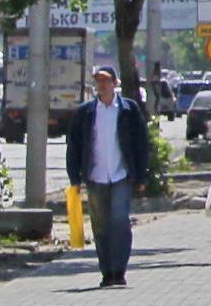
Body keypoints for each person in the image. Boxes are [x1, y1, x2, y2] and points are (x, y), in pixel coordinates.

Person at [61, 66, 153, 289]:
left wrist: (141, 176)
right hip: (95, 177)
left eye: (106, 81)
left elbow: (141, 143)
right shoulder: (86, 112)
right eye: (98, 81)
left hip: (121, 175)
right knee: (101, 226)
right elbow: (74, 146)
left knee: (120, 221)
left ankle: (119, 271)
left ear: (115, 83)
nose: (102, 85)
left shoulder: (128, 110)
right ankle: (107, 271)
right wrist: (74, 178)